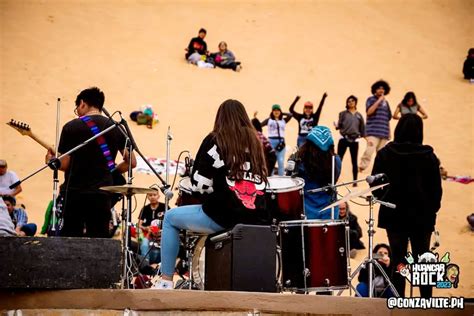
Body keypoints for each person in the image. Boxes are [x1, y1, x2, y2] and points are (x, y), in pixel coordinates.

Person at [153, 99, 269, 289]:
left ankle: (166, 281)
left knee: (170, 218)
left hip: (223, 216)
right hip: (256, 218)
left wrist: (212, 196)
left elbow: (200, 185)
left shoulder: (216, 139)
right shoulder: (256, 143)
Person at [45, 87, 136, 238]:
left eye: (77, 108)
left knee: (71, 239)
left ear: (82, 103)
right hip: (102, 193)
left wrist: (51, 161)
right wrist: (112, 171)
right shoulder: (116, 127)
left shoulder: (71, 127)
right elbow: (131, 162)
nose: (78, 112)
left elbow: (65, 163)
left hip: (75, 192)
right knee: (99, 240)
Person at [371, 114, 442, 298]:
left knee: (398, 259)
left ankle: (399, 301)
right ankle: (426, 302)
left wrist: (386, 200)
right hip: (421, 217)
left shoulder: (385, 154)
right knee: (422, 259)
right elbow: (436, 190)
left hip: (394, 215)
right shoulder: (429, 156)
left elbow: (375, 186)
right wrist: (431, 210)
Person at [294, 126, 341, 219]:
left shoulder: (299, 160)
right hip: (330, 210)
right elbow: (334, 180)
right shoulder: (335, 160)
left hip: (306, 209)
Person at [358, 80, 392, 173]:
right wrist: (379, 100)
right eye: (379, 88)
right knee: (369, 150)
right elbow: (369, 112)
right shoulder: (371, 99)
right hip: (372, 131)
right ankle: (361, 167)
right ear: (375, 90)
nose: (381, 90)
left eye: (383, 88)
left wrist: (389, 132)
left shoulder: (386, 103)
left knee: (381, 154)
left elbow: (387, 118)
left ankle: (380, 170)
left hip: (384, 132)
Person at [255, 103, 293, 176]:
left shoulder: (283, 120)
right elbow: (259, 125)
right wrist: (255, 118)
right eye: (274, 110)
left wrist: (282, 113)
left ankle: (281, 179)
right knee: (271, 161)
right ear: (272, 112)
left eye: (278, 110)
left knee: (281, 161)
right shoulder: (269, 120)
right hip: (271, 142)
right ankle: (271, 177)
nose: (276, 112)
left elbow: (290, 114)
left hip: (281, 142)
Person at [335, 95, 365, 186]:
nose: (350, 102)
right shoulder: (343, 114)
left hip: (354, 140)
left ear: (355, 102)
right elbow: (339, 126)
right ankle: (334, 179)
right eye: (349, 101)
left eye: (352, 101)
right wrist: (336, 126)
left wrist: (365, 137)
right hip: (344, 139)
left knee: (354, 161)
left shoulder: (359, 115)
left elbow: (362, 129)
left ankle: (355, 181)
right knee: (338, 160)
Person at [138, 191, 166, 264]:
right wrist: (146, 228)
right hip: (148, 235)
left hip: (163, 235)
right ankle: (145, 266)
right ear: (147, 197)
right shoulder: (145, 208)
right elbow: (139, 224)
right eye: (150, 195)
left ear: (158, 196)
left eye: (154, 195)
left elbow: (171, 222)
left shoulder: (165, 207)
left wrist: (162, 231)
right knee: (144, 243)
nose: (152, 197)